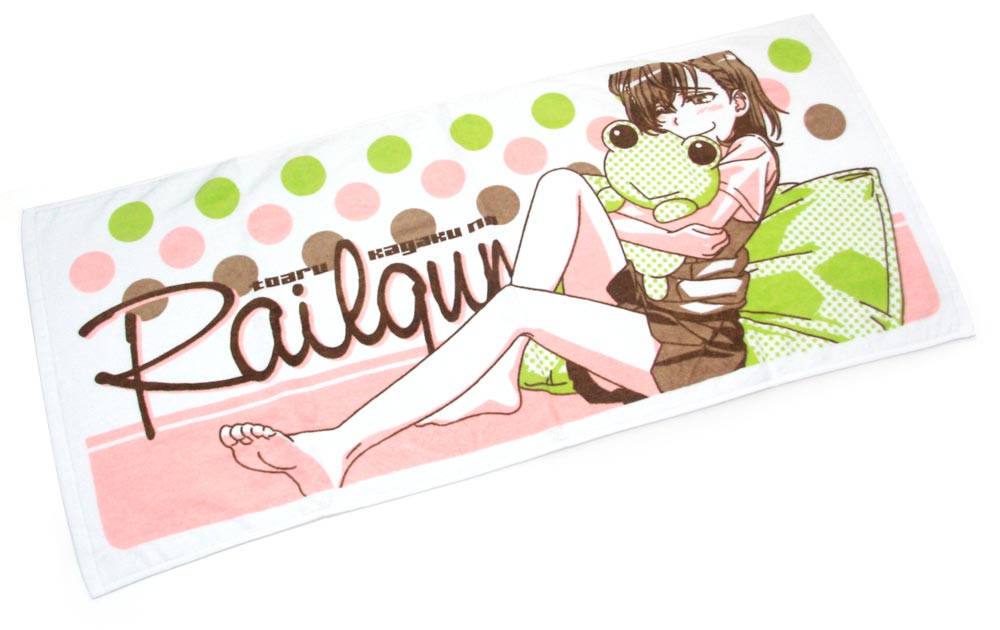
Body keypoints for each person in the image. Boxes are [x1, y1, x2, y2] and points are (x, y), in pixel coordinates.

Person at [219, 50, 784, 496]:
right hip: (641, 318)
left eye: (698, 101)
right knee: (562, 183)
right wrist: (623, 216)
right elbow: (649, 223)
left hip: (685, 352)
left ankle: (336, 446)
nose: (681, 120)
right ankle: (499, 378)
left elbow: (701, 231)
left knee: (518, 305)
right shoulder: (671, 155)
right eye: (664, 112)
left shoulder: (749, 152)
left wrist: (627, 220)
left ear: (737, 100)